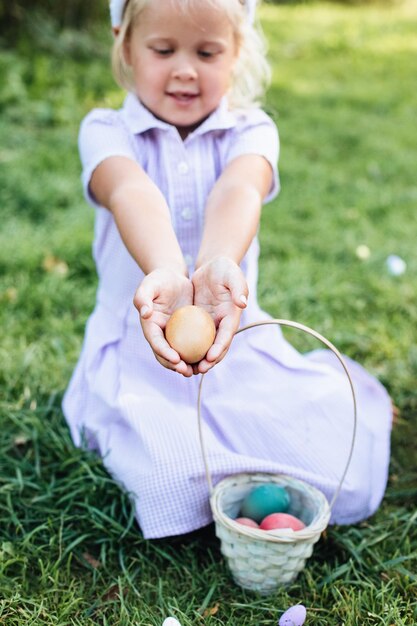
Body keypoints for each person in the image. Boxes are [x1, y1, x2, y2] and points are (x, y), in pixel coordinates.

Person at [63, 0, 392, 539]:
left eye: (207, 51)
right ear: (123, 43)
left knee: (335, 469)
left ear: (236, 52)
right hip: (137, 358)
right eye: (163, 50)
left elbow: (239, 189)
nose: (186, 69)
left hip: (234, 347)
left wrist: (217, 260)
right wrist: (169, 267)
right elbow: (128, 191)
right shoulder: (106, 131)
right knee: (169, 478)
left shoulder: (251, 131)